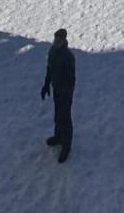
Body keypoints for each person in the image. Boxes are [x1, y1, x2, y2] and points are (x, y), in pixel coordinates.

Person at [40, 28, 76, 163]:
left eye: (59, 40)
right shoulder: (52, 52)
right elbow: (49, 69)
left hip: (65, 92)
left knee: (65, 117)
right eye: (55, 39)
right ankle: (58, 136)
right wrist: (46, 85)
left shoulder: (68, 57)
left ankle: (67, 146)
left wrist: (66, 92)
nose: (56, 42)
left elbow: (71, 78)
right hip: (56, 89)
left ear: (64, 41)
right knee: (58, 115)